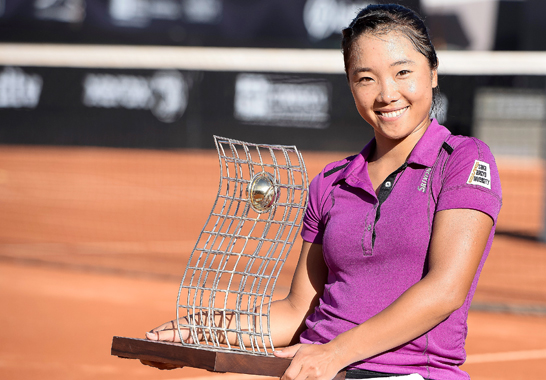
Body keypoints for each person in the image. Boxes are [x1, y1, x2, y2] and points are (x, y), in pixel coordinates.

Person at [144, 4, 502, 379]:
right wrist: (201, 333)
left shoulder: (464, 159)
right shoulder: (331, 182)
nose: (386, 93)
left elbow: (446, 290)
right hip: (318, 366)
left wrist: (334, 354)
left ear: (432, 73)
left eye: (403, 73)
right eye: (366, 79)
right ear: (350, 84)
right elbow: (297, 309)